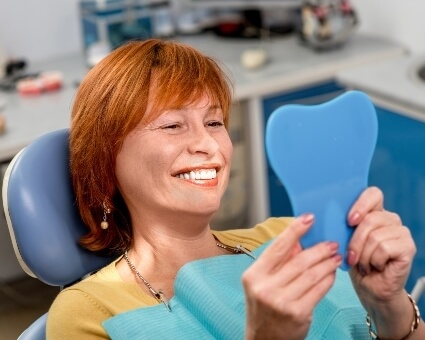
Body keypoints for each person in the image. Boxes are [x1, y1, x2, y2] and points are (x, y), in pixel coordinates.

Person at [46, 38, 424, 339]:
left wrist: (389, 308)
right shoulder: (90, 312)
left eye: (214, 123)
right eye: (172, 126)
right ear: (105, 160)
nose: (209, 146)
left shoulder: (287, 238)